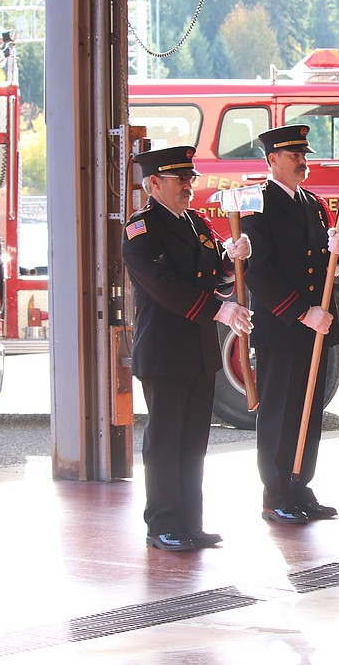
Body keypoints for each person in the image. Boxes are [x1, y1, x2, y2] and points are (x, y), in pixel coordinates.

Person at [122, 145, 253, 551]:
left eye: (191, 178)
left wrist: (233, 259)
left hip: (197, 349)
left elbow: (216, 274)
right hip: (164, 351)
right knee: (165, 441)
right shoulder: (140, 230)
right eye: (181, 179)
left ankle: (189, 522)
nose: (189, 185)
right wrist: (220, 309)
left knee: (193, 439)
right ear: (155, 184)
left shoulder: (195, 224)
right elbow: (167, 287)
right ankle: (162, 524)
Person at [243, 124, 339, 524]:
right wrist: (302, 312)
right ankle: (276, 493)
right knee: (280, 411)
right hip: (285, 325)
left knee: (309, 409)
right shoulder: (259, 204)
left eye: (304, 154)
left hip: (316, 326)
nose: (303, 162)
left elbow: (325, 265)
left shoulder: (312, 204)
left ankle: (300, 485)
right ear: (272, 160)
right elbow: (257, 270)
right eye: (293, 156)